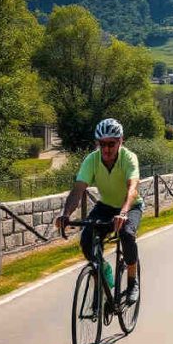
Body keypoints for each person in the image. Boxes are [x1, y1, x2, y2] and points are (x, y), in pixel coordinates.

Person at [54, 118, 143, 303]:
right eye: (102, 144)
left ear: (121, 141)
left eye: (111, 144)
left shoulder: (128, 158)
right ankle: (103, 272)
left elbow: (133, 188)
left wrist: (123, 213)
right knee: (87, 240)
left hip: (130, 206)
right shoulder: (92, 160)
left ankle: (132, 281)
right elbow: (78, 190)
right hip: (106, 205)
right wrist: (66, 214)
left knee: (127, 234)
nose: (106, 149)